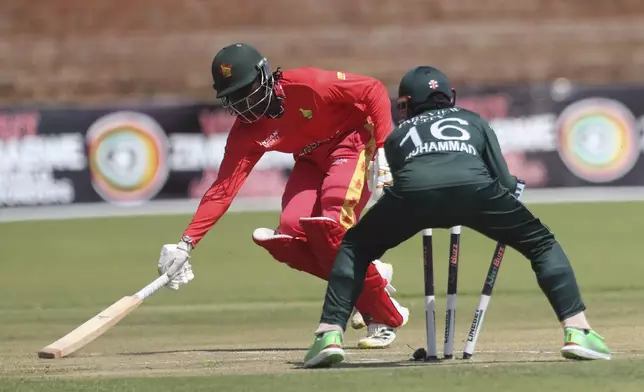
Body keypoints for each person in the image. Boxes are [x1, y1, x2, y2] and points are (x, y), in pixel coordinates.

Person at [302, 65, 612, 368]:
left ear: (406, 104)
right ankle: (578, 331)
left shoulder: (397, 137)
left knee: (355, 248)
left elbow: (408, 180)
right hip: (477, 193)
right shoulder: (474, 121)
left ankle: (329, 335)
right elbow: (503, 182)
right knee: (541, 244)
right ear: (450, 96)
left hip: (414, 197)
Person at [156, 43, 409, 348]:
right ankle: (370, 276)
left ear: (264, 76)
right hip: (310, 158)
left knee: (331, 225)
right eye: (234, 99)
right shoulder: (246, 133)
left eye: (246, 93)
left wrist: (384, 147)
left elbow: (372, 89)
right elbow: (224, 188)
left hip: (352, 142)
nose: (244, 106)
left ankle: (383, 317)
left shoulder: (307, 85)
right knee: (290, 234)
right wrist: (186, 243)